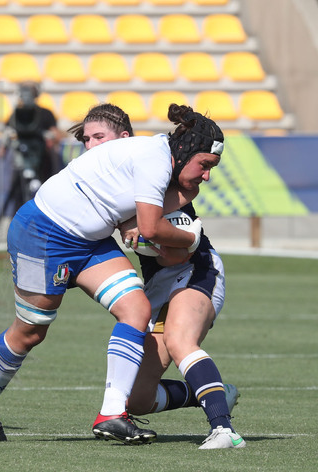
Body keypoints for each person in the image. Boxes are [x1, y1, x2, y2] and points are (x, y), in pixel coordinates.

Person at [0, 103, 224, 444]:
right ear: (187, 151)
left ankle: (112, 414)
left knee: (136, 309)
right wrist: (191, 237)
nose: (206, 175)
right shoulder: (155, 158)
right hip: (42, 235)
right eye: (205, 165)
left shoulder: (156, 156)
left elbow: (142, 221)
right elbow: (150, 226)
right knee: (30, 332)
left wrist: (172, 212)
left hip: (90, 242)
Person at [70, 104, 245, 450]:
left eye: (98, 137)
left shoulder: (173, 183)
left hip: (196, 271)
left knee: (181, 341)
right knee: (136, 400)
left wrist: (157, 241)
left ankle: (224, 430)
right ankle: (214, 393)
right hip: (157, 285)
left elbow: (178, 251)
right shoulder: (117, 177)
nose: (206, 176)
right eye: (205, 166)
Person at [0, 82, 63, 216]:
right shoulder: (16, 114)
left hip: (43, 161)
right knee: (18, 197)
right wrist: (4, 147)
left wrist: (48, 138)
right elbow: (7, 134)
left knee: (45, 194)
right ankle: (18, 224)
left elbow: (56, 135)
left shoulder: (45, 113)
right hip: (21, 161)